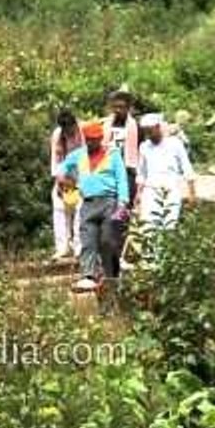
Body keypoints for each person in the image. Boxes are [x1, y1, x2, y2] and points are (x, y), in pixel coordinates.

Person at [57, 121, 130, 291]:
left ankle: (112, 275)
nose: (91, 143)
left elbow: (121, 179)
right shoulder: (78, 155)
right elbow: (63, 168)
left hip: (109, 202)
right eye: (88, 139)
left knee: (107, 240)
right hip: (88, 202)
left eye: (94, 139)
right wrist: (63, 179)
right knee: (87, 240)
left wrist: (123, 203)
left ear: (100, 139)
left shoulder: (113, 154)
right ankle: (88, 275)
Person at [134, 113, 196, 231]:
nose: (148, 135)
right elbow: (142, 172)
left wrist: (191, 192)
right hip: (150, 190)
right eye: (146, 132)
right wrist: (138, 193)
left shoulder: (175, 143)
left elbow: (187, 168)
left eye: (150, 131)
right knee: (148, 227)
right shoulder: (144, 147)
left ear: (158, 127)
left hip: (171, 189)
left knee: (168, 226)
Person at [50, 110, 84, 260]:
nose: (69, 131)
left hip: (82, 174)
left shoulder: (83, 131)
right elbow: (56, 159)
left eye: (70, 127)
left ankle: (79, 246)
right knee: (59, 206)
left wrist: (81, 182)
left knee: (80, 209)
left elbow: (88, 156)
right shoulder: (57, 135)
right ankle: (62, 247)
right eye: (65, 128)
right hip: (63, 174)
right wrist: (58, 180)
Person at [102, 90, 140, 209]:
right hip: (108, 169)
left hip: (127, 170)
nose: (118, 110)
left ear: (128, 108)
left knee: (125, 206)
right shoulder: (105, 124)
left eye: (121, 107)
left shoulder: (135, 126)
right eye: (115, 107)